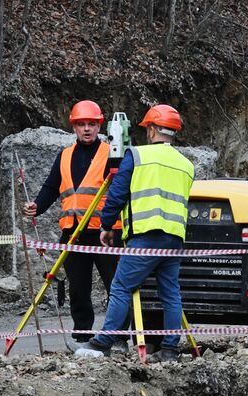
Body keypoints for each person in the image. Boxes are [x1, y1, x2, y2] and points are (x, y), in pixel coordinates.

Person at [74, 104, 194, 362]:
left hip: (145, 236)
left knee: (121, 286)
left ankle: (103, 342)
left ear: (151, 130)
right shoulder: (186, 164)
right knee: (170, 293)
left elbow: (117, 194)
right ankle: (170, 349)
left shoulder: (137, 156)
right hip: (174, 238)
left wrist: (106, 225)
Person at [25, 100, 121, 344]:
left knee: (116, 286)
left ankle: (119, 335)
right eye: (81, 124)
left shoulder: (112, 153)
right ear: (74, 127)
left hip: (105, 232)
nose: (87, 129)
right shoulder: (65, 155)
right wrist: (37, 206)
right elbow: (51, 187)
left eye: (91, 124)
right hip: (73, 231)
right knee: (78, 288)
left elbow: (121, 189)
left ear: (99, 126)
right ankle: (82, 334)